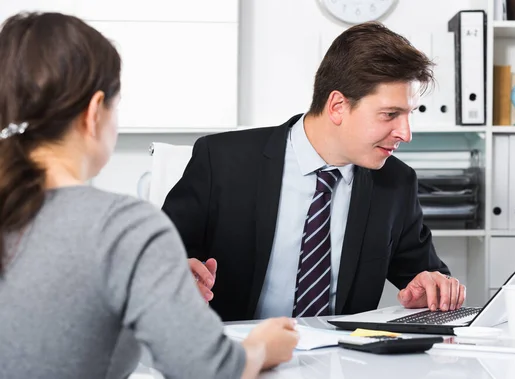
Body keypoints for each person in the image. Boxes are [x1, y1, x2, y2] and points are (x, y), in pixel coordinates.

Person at [0, 12, 298, 379]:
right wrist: (263, 346)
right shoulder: (123, 227)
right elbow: (206, 368)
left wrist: (154, 275)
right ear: (95, 112)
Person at [162, 21, 467, 322]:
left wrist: (432, 286)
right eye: (391, 115)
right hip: (238, 356)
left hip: (339, 360)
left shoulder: (396, 182)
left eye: (409, 114)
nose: (405, 133)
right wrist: (177, 270)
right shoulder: (223, 160)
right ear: (337, 106)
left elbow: (422, 274)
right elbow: (158, 256)